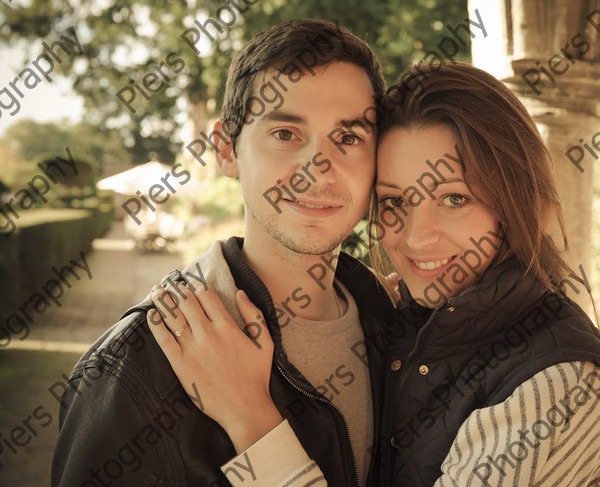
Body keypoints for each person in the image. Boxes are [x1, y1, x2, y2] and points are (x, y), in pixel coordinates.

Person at [148, 61, 600, 486]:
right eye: (395, 202)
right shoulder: (402, 323)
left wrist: (249, 416)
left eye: (455, 199)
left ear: (520, 195)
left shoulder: (556, 385)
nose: (416, 239)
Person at [51, 19, 396, 487]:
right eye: (286, 134)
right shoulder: (135, 365)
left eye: (349, 138)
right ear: (227, 148)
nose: (318, 168)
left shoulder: (399, 331)